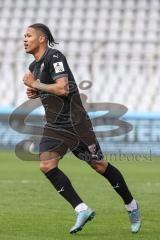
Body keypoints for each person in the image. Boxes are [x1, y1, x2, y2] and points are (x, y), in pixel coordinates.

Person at [23, 23, 141, 234]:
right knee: (46, 165)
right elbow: (47, 90)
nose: (24, 39)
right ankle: (82, 209)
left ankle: (132, 205)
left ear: (41, 39)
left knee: (99, 166)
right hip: (54, 126)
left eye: (28, 35)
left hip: (75, 124)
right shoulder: (34, 67)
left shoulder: (54, 57)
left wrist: (36, 85)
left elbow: (62, 88)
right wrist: (35, 91)